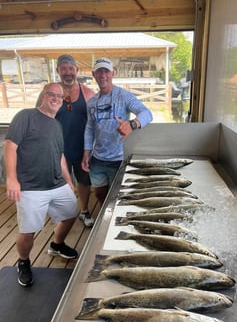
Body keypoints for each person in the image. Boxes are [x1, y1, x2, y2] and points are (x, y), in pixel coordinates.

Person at [4, 83, 79, 287]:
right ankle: (24, 261)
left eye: (59, 96)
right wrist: (11, 178)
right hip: (30, 187)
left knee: (72, 213)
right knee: (28, 231)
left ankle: (57, 245)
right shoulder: (26, 116)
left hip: (57, 183)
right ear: (43, 96)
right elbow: (11, 146)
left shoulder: (57, 125)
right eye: (51, 94)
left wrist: (69, 181)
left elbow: (60, 155)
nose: (56, 98)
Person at [81, 57, 153, 206]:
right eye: (99, 71)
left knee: (118, 197)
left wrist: (132, 124)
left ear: (113, 73)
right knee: (100, 194)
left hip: (119, 159)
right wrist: (86, 153)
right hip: (97, 159)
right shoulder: (92, 102)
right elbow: (89, 128)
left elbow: (147, 113)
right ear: (93, 74)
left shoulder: (123, 95)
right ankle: (102, 217)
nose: (103, 75)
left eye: (106, 71)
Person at [36, 54, 95, 228]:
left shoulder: (88, 93)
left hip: (82, 147)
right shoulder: (48, 92)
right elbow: (39, 117)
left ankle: (84, 211)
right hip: (56, 149)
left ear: (77, 70)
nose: (67, 72)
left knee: (84, 181)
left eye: (71, 69)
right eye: (63, 69)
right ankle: (62, 216)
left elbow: (96, 120)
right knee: (59, 183)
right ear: (58, 71)